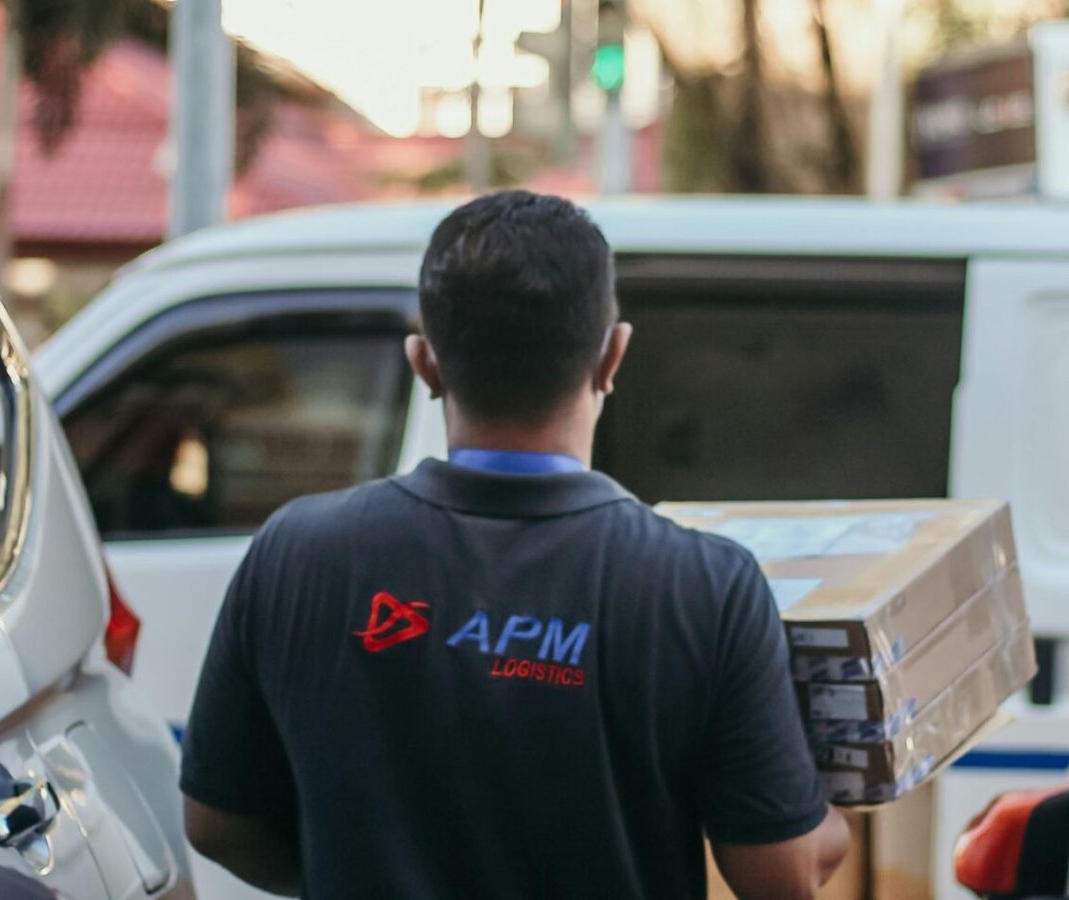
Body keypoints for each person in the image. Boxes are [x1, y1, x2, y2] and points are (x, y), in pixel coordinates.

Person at [180, 190, 849, 899]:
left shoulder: (296, 554)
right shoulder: (705, 587)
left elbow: (216, 822)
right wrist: (844, 798)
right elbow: (781, 877)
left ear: (424, 364)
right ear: (612, 357)